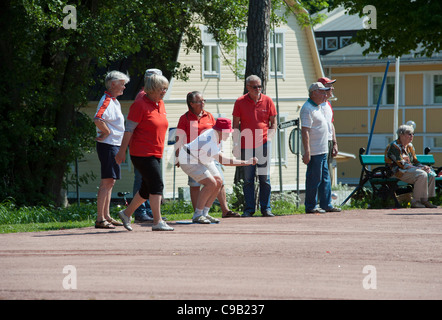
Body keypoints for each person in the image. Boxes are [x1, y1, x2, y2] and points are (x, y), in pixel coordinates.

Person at [115, 74, 174, 231]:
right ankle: (157, 221)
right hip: (142, 153)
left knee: (146, 189)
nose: (164, 92)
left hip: (156, 152)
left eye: (166, 89)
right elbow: (128, 130)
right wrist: (122, 152)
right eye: (162, 89)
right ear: (153, 88)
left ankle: (126, 213)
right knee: (157, 185)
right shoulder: (139, 104)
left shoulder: (159, 104)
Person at [177, 117, 257, 223]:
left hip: (201, 158)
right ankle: (197, 215)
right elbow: (224, 161)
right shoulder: (209, 139)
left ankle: (205, 214)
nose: (229, 134)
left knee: (218, 182)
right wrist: (247, 162)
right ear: (220, 131)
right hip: (188, 158)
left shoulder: (217, 136)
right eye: (228, 132)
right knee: (210, 183)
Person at [175, 91, 241, 218]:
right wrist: (178, 156)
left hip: (210, 154)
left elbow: (218, 133)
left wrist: (220, 150)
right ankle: (198, 213)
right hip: (192, 156)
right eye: (200, 101)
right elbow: (179, 138)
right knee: (195, 184)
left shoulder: (209, 116)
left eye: (204, 100)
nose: (203, 103)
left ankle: (225, 210)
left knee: (219, 181)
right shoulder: (185, 118)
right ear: (191, 104)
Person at [232, 75, 277, 217]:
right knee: (248, 179)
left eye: (260, 86)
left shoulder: (268, 101)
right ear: (248, 88)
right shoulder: (240, 102)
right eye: (255, 87)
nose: (258, 89)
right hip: (246, 145)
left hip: (263, 144)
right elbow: (235, 125)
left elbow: (273, 123)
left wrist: (269, 138)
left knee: (265, 178)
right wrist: (236, 144)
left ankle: (266, 208)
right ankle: (249, 209)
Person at [94, 70, 130, 229]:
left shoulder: (114, 100)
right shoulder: (107, 100)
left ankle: (106, 215)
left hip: (114, 145)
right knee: (107, 182)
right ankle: (100, 219)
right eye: (122, 84)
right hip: (108, 146)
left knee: (110, 182)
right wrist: (107, 132)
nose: (124, 87)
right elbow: (97, 118)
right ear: (113, 84)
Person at [300, 82, 341, 214]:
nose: (325, 94)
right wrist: (307, 152)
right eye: (322, 91)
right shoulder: (307, 108)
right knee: (314, 178)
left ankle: (326, 204)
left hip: (323, 149)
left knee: (325, 178)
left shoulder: (319, 107)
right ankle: (310, 205)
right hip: (315, 150)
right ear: (314, 93)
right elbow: (305, 131)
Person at [132, 68, 163, 222]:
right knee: (143, 180)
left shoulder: (157, 99)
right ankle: (140, 211)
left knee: (150, 183)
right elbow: (132, 127)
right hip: (143, 150)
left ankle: (148, 210)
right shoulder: (142, 98)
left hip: (155, 148)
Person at [385, 124, 437, 208]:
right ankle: (415, 201)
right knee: (421, 174)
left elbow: (415, 161)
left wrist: (423, 166)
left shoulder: (410, 146)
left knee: (430, 173)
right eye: (409, 134)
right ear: (401, 135)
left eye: (413, 134)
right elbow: (401, 164)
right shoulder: (394, 146)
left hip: (409, 170)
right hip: (397, 171)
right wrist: (420, 168)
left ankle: (425, 200)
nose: (412, 136)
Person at [317, 77, 338, 165]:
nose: (332, 88)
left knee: (328, 170)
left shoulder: (328, 104)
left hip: (329, 141)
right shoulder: (317, 105)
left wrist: (334, 143)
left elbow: (331, 124)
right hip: (320, 142)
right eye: (329, 86)